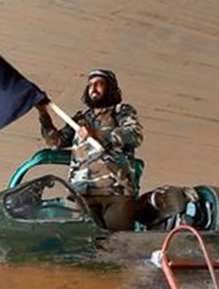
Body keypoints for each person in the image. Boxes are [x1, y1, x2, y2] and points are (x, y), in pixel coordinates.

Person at [37, 69, 143, 231]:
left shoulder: (120, 111)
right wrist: (43, 114)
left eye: (99, 83)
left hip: (116, 192)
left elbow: (134, 135)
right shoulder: (80, 119)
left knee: (118, 244)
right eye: (90, 85)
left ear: (110, 88)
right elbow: (55, 141)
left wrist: (99, 135)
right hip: (82, 194)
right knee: (84, 245)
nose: (93, 88)